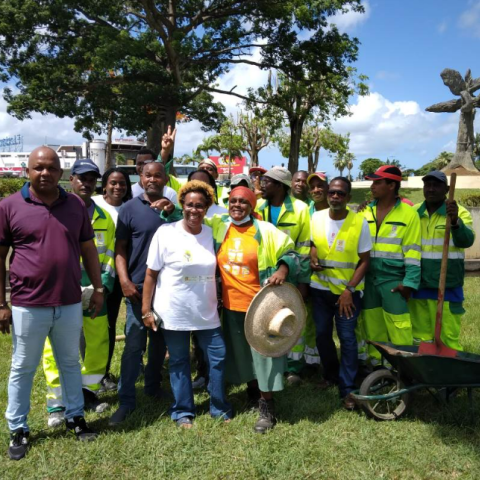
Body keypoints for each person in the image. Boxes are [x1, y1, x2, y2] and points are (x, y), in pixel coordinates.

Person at [0, 147, 103, 460]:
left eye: (51, 168)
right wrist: (1, 304)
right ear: (27, 171)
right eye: (38, 168)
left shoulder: (74, 205)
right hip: (28, 304)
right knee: (23, 366)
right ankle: (18, 428)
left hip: (69, 301)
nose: (44, 173)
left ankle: (75, 417)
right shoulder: (9, 206)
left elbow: (88, 250)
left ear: (61, 172)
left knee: (70, 362)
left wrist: (98, 288)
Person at [142, 181, 233, 428]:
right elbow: (150, 274)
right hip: (174, 311)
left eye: (200, 206)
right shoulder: (166, 232)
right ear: (181, 205)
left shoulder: (211, 234)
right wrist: (146, 309)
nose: (194, 210)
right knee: (180, 361)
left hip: (206, 311)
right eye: (190, 205)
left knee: (217, 356)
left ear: (207, 208)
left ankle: (219, 406)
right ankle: (183, 411)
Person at [42, 158, 116, 427]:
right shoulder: (55, 211)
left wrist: (102, 286)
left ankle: (88, 392)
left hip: (94, 292)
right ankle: (58, 401)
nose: (86, 183)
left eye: (92, 178)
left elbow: (108, 256)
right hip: (61, 291)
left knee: (97, 342)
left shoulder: (104, 218)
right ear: (71, 179)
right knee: (55, 345)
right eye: (81, 178)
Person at [109, 161, 168, 426]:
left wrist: (171, 208)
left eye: (158, 175)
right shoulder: (129, 209)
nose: (153, 179)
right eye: (148, 175)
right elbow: (120, 249)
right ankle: (126, 400)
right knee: (134, 344)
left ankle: (153, 388)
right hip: (136, 289)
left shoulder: (174, 209)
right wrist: (124, 280)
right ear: (140, 179)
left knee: (159, 344)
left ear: (166, 178)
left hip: (167, 290)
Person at [310, 177, 371, 409]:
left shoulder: (359, 223)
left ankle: (347, 389)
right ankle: (331, 375)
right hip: (320, 289)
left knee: (347, 339)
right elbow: (314, 241)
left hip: (348, 294)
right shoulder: (316, 217)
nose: (335, 197)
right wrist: (313, 252)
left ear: (348, 197)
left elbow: (365, 261)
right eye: (332, 192)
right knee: (322, 335)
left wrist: (349, 290)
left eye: (341, 194)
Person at [360, 165, 421, 365]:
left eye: (378, 182)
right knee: (373, 324)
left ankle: (403, 367)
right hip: (368, 279)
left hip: (393, 280)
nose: (372, 186)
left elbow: (413, 250)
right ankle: (377, 366)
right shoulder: (364, 212)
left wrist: (410, 282)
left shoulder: (408, 214)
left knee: (399, 326)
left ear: (391, 185)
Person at [256, 166, 312, 383]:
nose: (262, 184)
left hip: (291, 273)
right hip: (264, 272)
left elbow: (304, 246)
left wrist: (303, 281)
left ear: (279, 185)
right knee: (266, 319)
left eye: (267, 181)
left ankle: (294, 366)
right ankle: (270, 361)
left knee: (292, 318)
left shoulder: (300, 209)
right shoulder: (259, 207)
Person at [410, 171, 475, 350]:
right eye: (427, 185)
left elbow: (466, 241)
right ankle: (423, 371)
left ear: (447, 189)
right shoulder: (413, 212)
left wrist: (455, 221)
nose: (431, 189)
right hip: (420, 284)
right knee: (420, 338)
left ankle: (449, 374)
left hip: (447, 285)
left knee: (448, 338)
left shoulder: (459, 212)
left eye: (436, 185)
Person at [92, 167, 132, 391]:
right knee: (87, 328)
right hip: (90, 276)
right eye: (113, 182)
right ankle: (87, 371)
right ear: (105, 184)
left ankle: (103, 372)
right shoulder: (93, 204)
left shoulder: (129, 208)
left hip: (116, 279)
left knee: (107, 326)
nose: (118, 187)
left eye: (122, 183)